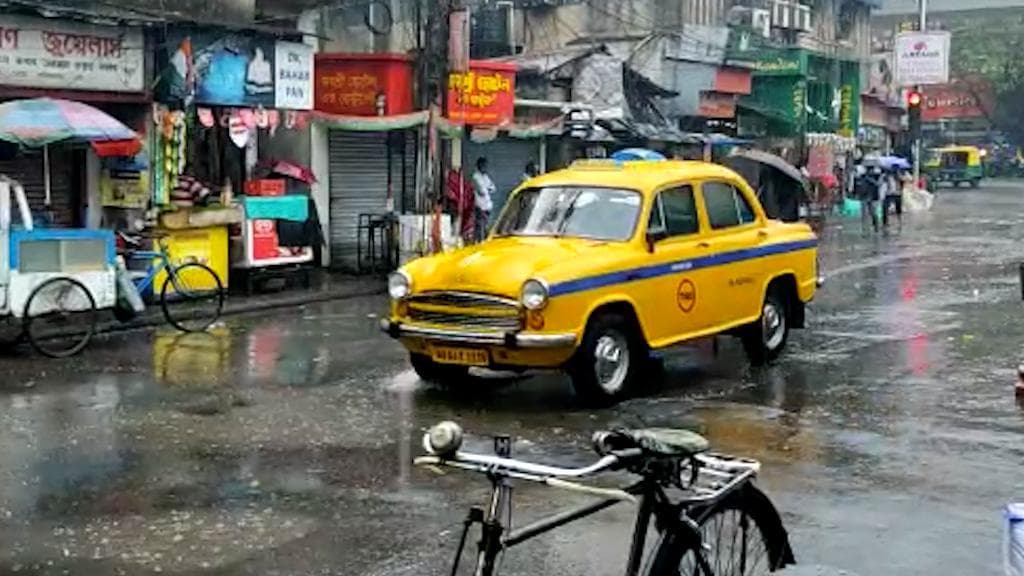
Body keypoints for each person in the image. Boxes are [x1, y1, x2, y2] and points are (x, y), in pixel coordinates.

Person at [471, 157, 495, 242]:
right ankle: (479, 242)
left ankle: (483, 241)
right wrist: (487, 188)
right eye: (484, 165)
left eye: (486, 165)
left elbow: (493, 188)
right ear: (479, 166)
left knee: (485, 225)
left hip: (487, 206)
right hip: (480, 205)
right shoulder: (475, 177)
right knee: (480, 225)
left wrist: (487, 188)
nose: (485, 167)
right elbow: (481, 191)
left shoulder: (486, 177)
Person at [853, 165, 879, 234]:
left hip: (870, 197)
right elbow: (858, 187)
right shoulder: (861, 177)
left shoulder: (874, 177)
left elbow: (876, 185)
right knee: (865, 213)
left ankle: (874, 226)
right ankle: (865, 228)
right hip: (864, 197)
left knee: (872, 213)